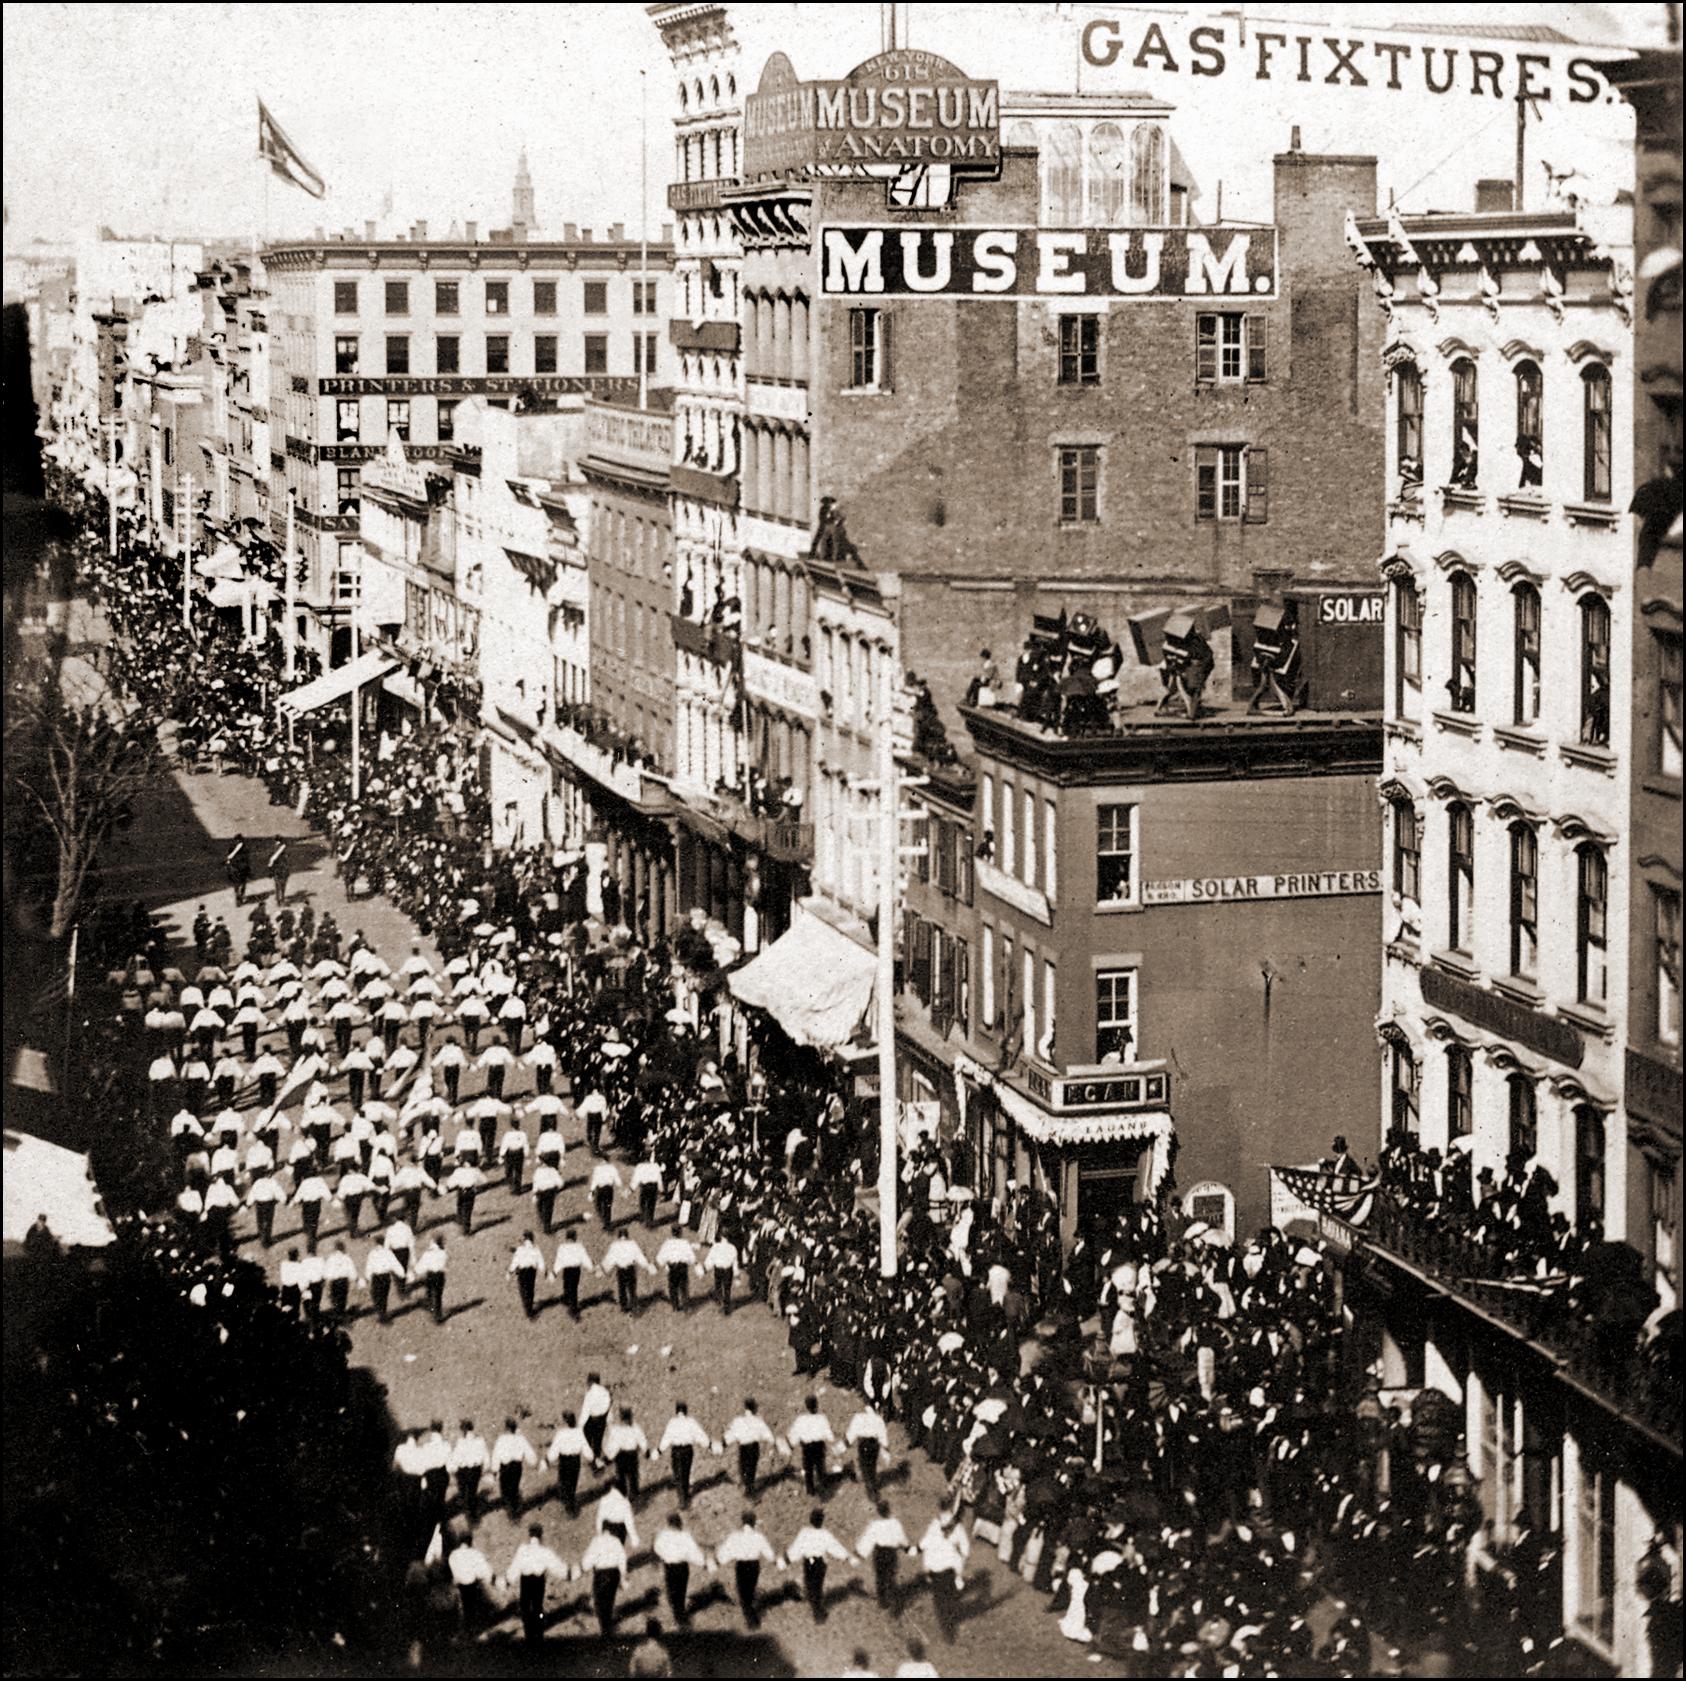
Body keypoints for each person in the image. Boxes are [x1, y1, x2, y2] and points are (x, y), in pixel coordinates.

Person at [787, 1507, 853, 1622]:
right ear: (822, 1521)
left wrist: (786, 1560)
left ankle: (816, 1609)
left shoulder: (805, 1533)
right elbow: (835, 1548)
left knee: (810, 1584)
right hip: (820, 1563)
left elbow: (796, 1548)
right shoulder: (825, 1534)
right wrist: (847, 1556)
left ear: (810, 1520)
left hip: (809, 1562)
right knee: (817, 1585)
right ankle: (817, 1609)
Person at [505, 1523, 566, 1644]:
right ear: (541, 1535)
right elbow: (556, 1566)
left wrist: (508, 1580)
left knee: (525, 1607)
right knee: (538, 1606)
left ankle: (528, 1633)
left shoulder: (523, 1549)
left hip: (526, 1581)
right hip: (538, 1581)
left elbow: (516, 1566)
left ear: (530, 1535)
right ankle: (539, 1632)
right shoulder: (545, 1551)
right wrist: (566, 1574)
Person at [716, 1511, 777, 1631]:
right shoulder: (759, 1537)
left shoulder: (735, 1537)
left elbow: (726, 1554)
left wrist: (717, 1562)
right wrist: (777, 1561)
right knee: (750, 1589)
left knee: (743, 1592)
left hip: (742, 1566)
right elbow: (769, 1554)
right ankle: (751, 1613)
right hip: (754, 1566)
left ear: (743, 1522)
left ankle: (751, 1619)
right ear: (754, 1522)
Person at [919, 1510, 970, 1644]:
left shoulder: (946, 1537)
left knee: (944, 1601)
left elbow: (961, 1556)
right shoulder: (939, 1535)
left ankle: (948, 1628)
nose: (947, 1531)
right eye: (945, 1528)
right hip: (940, 1574)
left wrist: (958, 1576)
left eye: (948, 1528)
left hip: (945, 1574)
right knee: (942, 1602)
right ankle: (948, 1628)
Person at [857, 1500, 913, 1610]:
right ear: (888, 1510)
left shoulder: (875, 1525)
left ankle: (882, 1601)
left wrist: (860, 1553)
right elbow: (901, 1539)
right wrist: (907, 1548)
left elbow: (867, 1540)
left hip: (879, 1553)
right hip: (891, 1553)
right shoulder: (895, 1523)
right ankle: (892, 1595)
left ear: (878, 1512)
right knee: (891, 1574)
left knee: (880, 1577)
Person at [658, 1402, 714, 1508]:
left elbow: (666, 1438)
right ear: (686, 1411)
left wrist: (659, 1450)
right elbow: (700, 1435)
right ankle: (685, 1495)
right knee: (686, 1472)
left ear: (676, 1411)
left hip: (676, 1451)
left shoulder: (672, 1422)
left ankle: (682, 1499)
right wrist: (709, 1445)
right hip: (688, 1450)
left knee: (678, 1474)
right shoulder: (691, 1422)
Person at [655, 1513, 707, 1626]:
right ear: (679, 1523)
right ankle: (680, 1613)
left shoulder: (663, 1535)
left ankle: (676, 1611)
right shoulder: (685, 1536)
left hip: (669, 1567)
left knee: (671, 1588)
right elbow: (694, 1553)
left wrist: (664, 1556)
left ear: (668, 1524)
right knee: (681, 1589)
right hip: (681, 1567)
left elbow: (657, 1548)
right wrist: (703, 1563)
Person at [577, 1526, 629, 1637]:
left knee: (600, 1601)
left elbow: (589, 1559)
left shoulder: (596, 1541)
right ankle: (608, 1626)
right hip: (613, 1573)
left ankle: (605, 1628)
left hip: (601, 1574)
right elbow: (622, 1559)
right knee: (609, 1600)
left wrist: (584, 1567)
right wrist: (623, 1576)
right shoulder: (616, 1541)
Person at [787, 1394, 838, 1497]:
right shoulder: (822, 1418)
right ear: (817, 1405)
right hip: (819, 1446)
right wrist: (832, 1440)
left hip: (807, 1448)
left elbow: (794, 1435)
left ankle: (810, 1491)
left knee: (808, 1469)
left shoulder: (801, 1420)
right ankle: (823, 1488)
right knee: (820, 1467)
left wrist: (791, 1445)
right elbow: (829, 1436)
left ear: (806, 1406)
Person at [725, 1398, 774, 1498]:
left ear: (745, 1408)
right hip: (753, 1448)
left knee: (743, 1466)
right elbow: (768, 1435)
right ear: (755, 1408)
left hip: (743, 1447)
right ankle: (749, 1489)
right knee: (752, 1468)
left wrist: (723, 1444)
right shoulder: (758, 1421)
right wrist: (774, 1443)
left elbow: (731, 1435)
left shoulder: (738, 1421)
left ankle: (745, 1486)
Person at [447, 1533, 496, 1629]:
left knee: (466, 1607)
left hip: (460, 1586)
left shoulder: (453, 1555)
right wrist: (491, 1578)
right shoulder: (474, 1553)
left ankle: (469, 1626)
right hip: (472, 1585)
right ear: (470, 1541)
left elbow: (454, 1572)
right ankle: (478, 1624)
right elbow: (483, 1571)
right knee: (476, 1604)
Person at [603, 1230, 658, 1315]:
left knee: (622, 1289)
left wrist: (605, 1270)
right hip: (630, 1269)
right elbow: (640, 1257)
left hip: (621, 1270)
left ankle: (624, 1307)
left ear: (619, 1236)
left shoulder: (614, 1245)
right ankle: (634, 1307)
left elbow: (610, 1259)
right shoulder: (632, 1244)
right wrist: (647, 1266)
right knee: (632, 1289)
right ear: (627, 1235)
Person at [493, 1417, 540, 1516]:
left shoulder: (501, 1439)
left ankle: (511, 1510)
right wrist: (534, 1462)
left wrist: (495, 1469)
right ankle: (514, 1510)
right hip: (516, 1467)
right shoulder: (520, 1439)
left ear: (506, 1428)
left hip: (505, 1467)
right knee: (514, 1487)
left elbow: (496, 1455)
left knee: (505, 1488)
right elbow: (529, 1452)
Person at [602, 1406, 650, 1502]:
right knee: (633, 1477)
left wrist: (608, 1458)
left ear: (620, 1417)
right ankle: (634, 1495)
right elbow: (642, 1440)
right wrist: (646, 1451)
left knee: (621, 1477)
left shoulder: (617, 1430)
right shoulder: (636, 1428)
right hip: (632, 1456)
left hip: (621, 1457)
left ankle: (623, 1496)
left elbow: (614, 1446)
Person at [847, 1400, 892, 1501]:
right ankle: (871, 1483)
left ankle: (870, 1486)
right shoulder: (878, 1419)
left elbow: (852, 1432)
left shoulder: (859, 1417)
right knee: (872, 1464)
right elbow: (882, 1436)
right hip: (874, 1445)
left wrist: (847, 1442)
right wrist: (886, 1448)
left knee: (864, 1464)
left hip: (863, 1444)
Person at [547, 1412, 588, 1517]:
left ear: (565, 1422)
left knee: (564, 1481)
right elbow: (586, 1449)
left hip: (564, 1462)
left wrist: (547, 1460)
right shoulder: (579, 1432)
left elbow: (554, 1452)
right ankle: (570, 1502)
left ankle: (567, 1502)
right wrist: (592, 1459)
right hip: (575, 1461)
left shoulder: (560, 1434)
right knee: (573, 1482)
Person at [552, 1228, 596, 1319]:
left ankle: (568, 1301)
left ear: (566, 1237)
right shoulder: (579, 1247)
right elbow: (585, 1259)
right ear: (575, 1237)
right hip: (576, 1270)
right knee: (573, 1288)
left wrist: (555, 1272)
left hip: (566, 1270)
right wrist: (591, 1268)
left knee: (566, 1284)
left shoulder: (562, 1247)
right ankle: (573, 1308)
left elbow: (559, 1261)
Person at [451, 1419, 489, 1521]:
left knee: (463, 1491)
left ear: (464, 1430)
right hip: (475, 1470)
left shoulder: (461, 1442)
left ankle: (467, 1509)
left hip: (463, 1471)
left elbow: (456, 1457)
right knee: (472, 1491)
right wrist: (485, 1468)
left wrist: (453, 1469)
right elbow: (485, 1456)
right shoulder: (479, 1440)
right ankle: (472, 1513)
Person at [655, 1230, 699, 1311]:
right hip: (682, 1267)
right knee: (684, 1287)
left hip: (672, 1268)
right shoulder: (685, 1243)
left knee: (672, 1287)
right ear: (680, 1233)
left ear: (672, 1233)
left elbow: (661, 1257)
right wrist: (694, 1262)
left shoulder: (667, 1244)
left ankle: (675, 1305)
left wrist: (659, 1264)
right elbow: (691, 1256)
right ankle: (685, 1305)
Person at [509, 1230, 545, 1318]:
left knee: (523, 1290)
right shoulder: (535, 1249)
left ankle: (527, 1308)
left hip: (522, 1272)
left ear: (524, 1239)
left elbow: (515, 1262)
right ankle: (529, 1308)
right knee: (530, 1289)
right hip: (531, 1271)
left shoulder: (520, 1249)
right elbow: (540, 1261)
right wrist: (543, 1270)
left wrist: (510, 1271)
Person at [580, 1373, 614, 1463]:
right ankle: (598, 1457)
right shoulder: (605, 1392)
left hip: (592, 1420)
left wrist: (580, 1425)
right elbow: (609, 1406)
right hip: (602, 1419)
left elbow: (585, 1411)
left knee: (588, 1436)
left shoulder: (589, 1394)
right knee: (598, 1440)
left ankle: (593, 1459)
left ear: (590, 1381)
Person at [416, 1236, 449, 1323]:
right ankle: (438, 1315)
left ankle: (431, 1307)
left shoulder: (427, 1254)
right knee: (438, 1296)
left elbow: (420, 1266)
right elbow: (445, 1265)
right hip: (440, 1276)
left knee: (430, 1292)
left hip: (430, 1275)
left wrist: (418, 1271)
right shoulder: (443, 1253)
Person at [322, 1242, 358, 1320]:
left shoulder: (331, 1259)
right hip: (343, 1281)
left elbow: (327, 1273)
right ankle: (341, 1313)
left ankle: (337, 1315)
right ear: (343, 1248)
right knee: (342, 1298)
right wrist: (354, 1279)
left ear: (335, 1249)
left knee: (335, 1299)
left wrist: (326, 1282)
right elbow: (352, 1271)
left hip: (334, 1282)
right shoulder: (346, 1258)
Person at [706, 1230, 739, 1313]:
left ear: (721, 1237)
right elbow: (735, 1263)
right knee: (727, 1289)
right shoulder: (732, 1248)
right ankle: (726, 1307)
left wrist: (706, 1268)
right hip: (728, 1270)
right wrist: (736, 1275)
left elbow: (711, 1259)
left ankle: (720, 1301)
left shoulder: (716, 1247)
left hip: (718, 1269)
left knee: (718, 1286)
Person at [590, 1157, 623, 1228]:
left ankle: (605, 1221)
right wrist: (620, 1187)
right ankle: (606, 1221)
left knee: (600, 1205)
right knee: (606, 1206)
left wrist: (592, 1190)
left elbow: (594, 1180)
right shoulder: (611, 1168)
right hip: (607, 1189)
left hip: (602, 1189)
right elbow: (617, 1179)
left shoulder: (599, 1168)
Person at [226, 834, 251, 906]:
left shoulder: (232, 846)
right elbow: (247, 858)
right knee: (243, 883)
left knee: (236, 884)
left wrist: (229, 862)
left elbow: (229, 857)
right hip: (242, 867)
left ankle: (238, 899)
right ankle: (241, 897)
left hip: (235, 867)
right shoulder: (245, 848)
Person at [268, 837, 291, 905]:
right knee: (283, 885)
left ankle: (278, 899)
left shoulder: (273, 848)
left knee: (277, 885)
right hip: (283, 870)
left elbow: (270, 860)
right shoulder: (284, 849)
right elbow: (287, 860)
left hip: (276, 870)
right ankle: (282, 899)